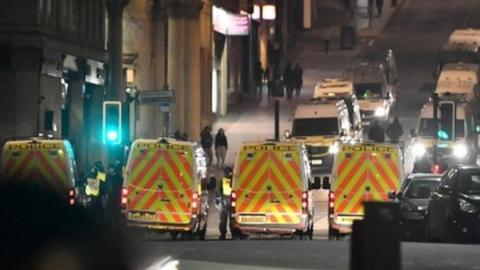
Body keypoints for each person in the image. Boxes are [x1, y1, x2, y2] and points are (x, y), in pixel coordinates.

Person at [216, 166, 233, 240]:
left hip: (225, 201)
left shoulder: (222, 180)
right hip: (233, 201)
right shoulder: (234, 180)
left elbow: (218, 193)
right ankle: (234, 234)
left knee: (223, 219)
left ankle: (223, 235)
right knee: (233, 219)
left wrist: (218, 200)